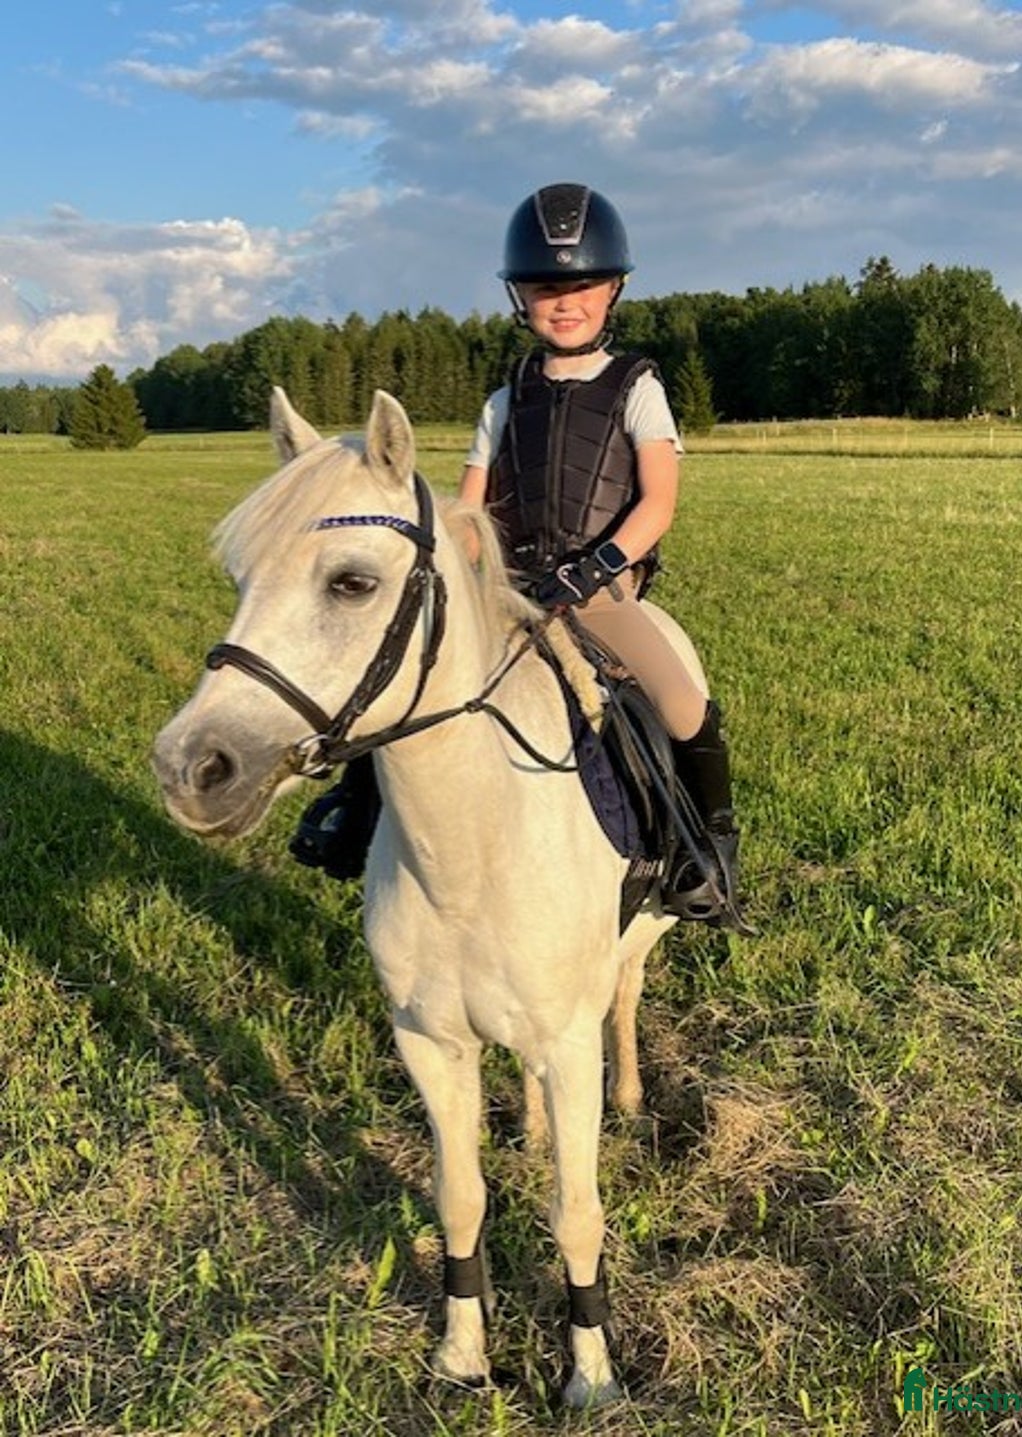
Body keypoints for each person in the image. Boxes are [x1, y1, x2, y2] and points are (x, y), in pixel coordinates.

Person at [292, 181, 748, 932]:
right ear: (519, 298)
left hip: (600, 591)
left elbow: (657, 503)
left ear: (615, 290)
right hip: (508, 587)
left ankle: (707, 852)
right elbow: (471, 513)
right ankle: (357, 809)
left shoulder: (638, 387)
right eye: (544, 288)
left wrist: (594, 569)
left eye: (581, 285)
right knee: (404, 676)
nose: (563, 302)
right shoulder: (506, 399)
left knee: (682, 704)